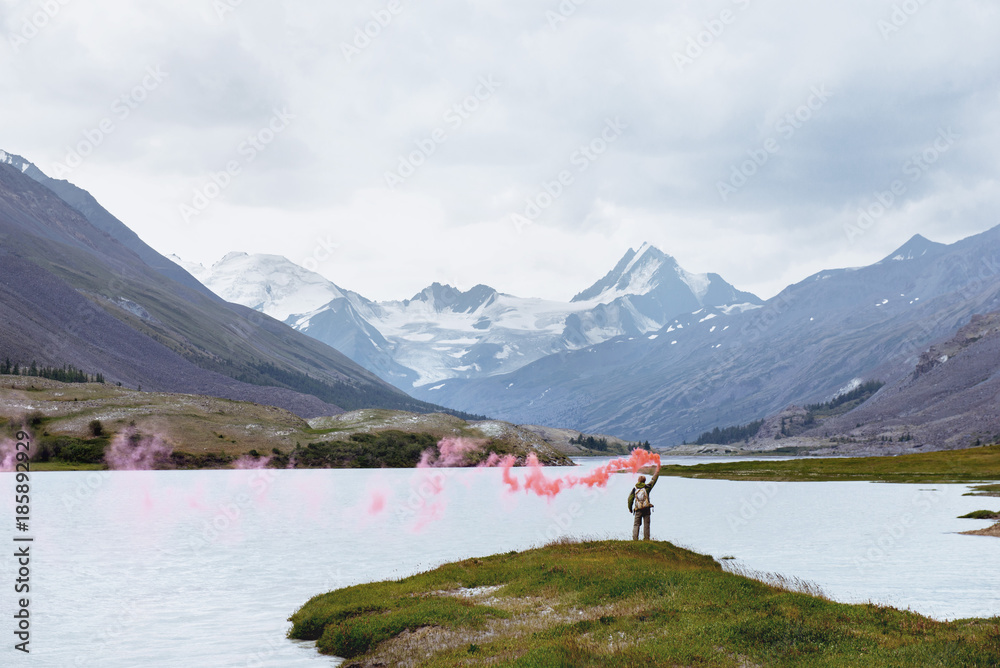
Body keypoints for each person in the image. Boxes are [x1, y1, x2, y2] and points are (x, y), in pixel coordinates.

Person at [627, 463, 661, 541]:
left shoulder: (634, 489)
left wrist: (630, 508)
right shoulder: (647, 487)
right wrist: (657, 470)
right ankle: (646, 539)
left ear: (638, 481)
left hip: (638, 509)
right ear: (644, 481)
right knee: (646, 525)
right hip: (646, 508)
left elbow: (630, 499)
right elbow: (653, 480)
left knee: (636, 525)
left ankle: (635, 539)